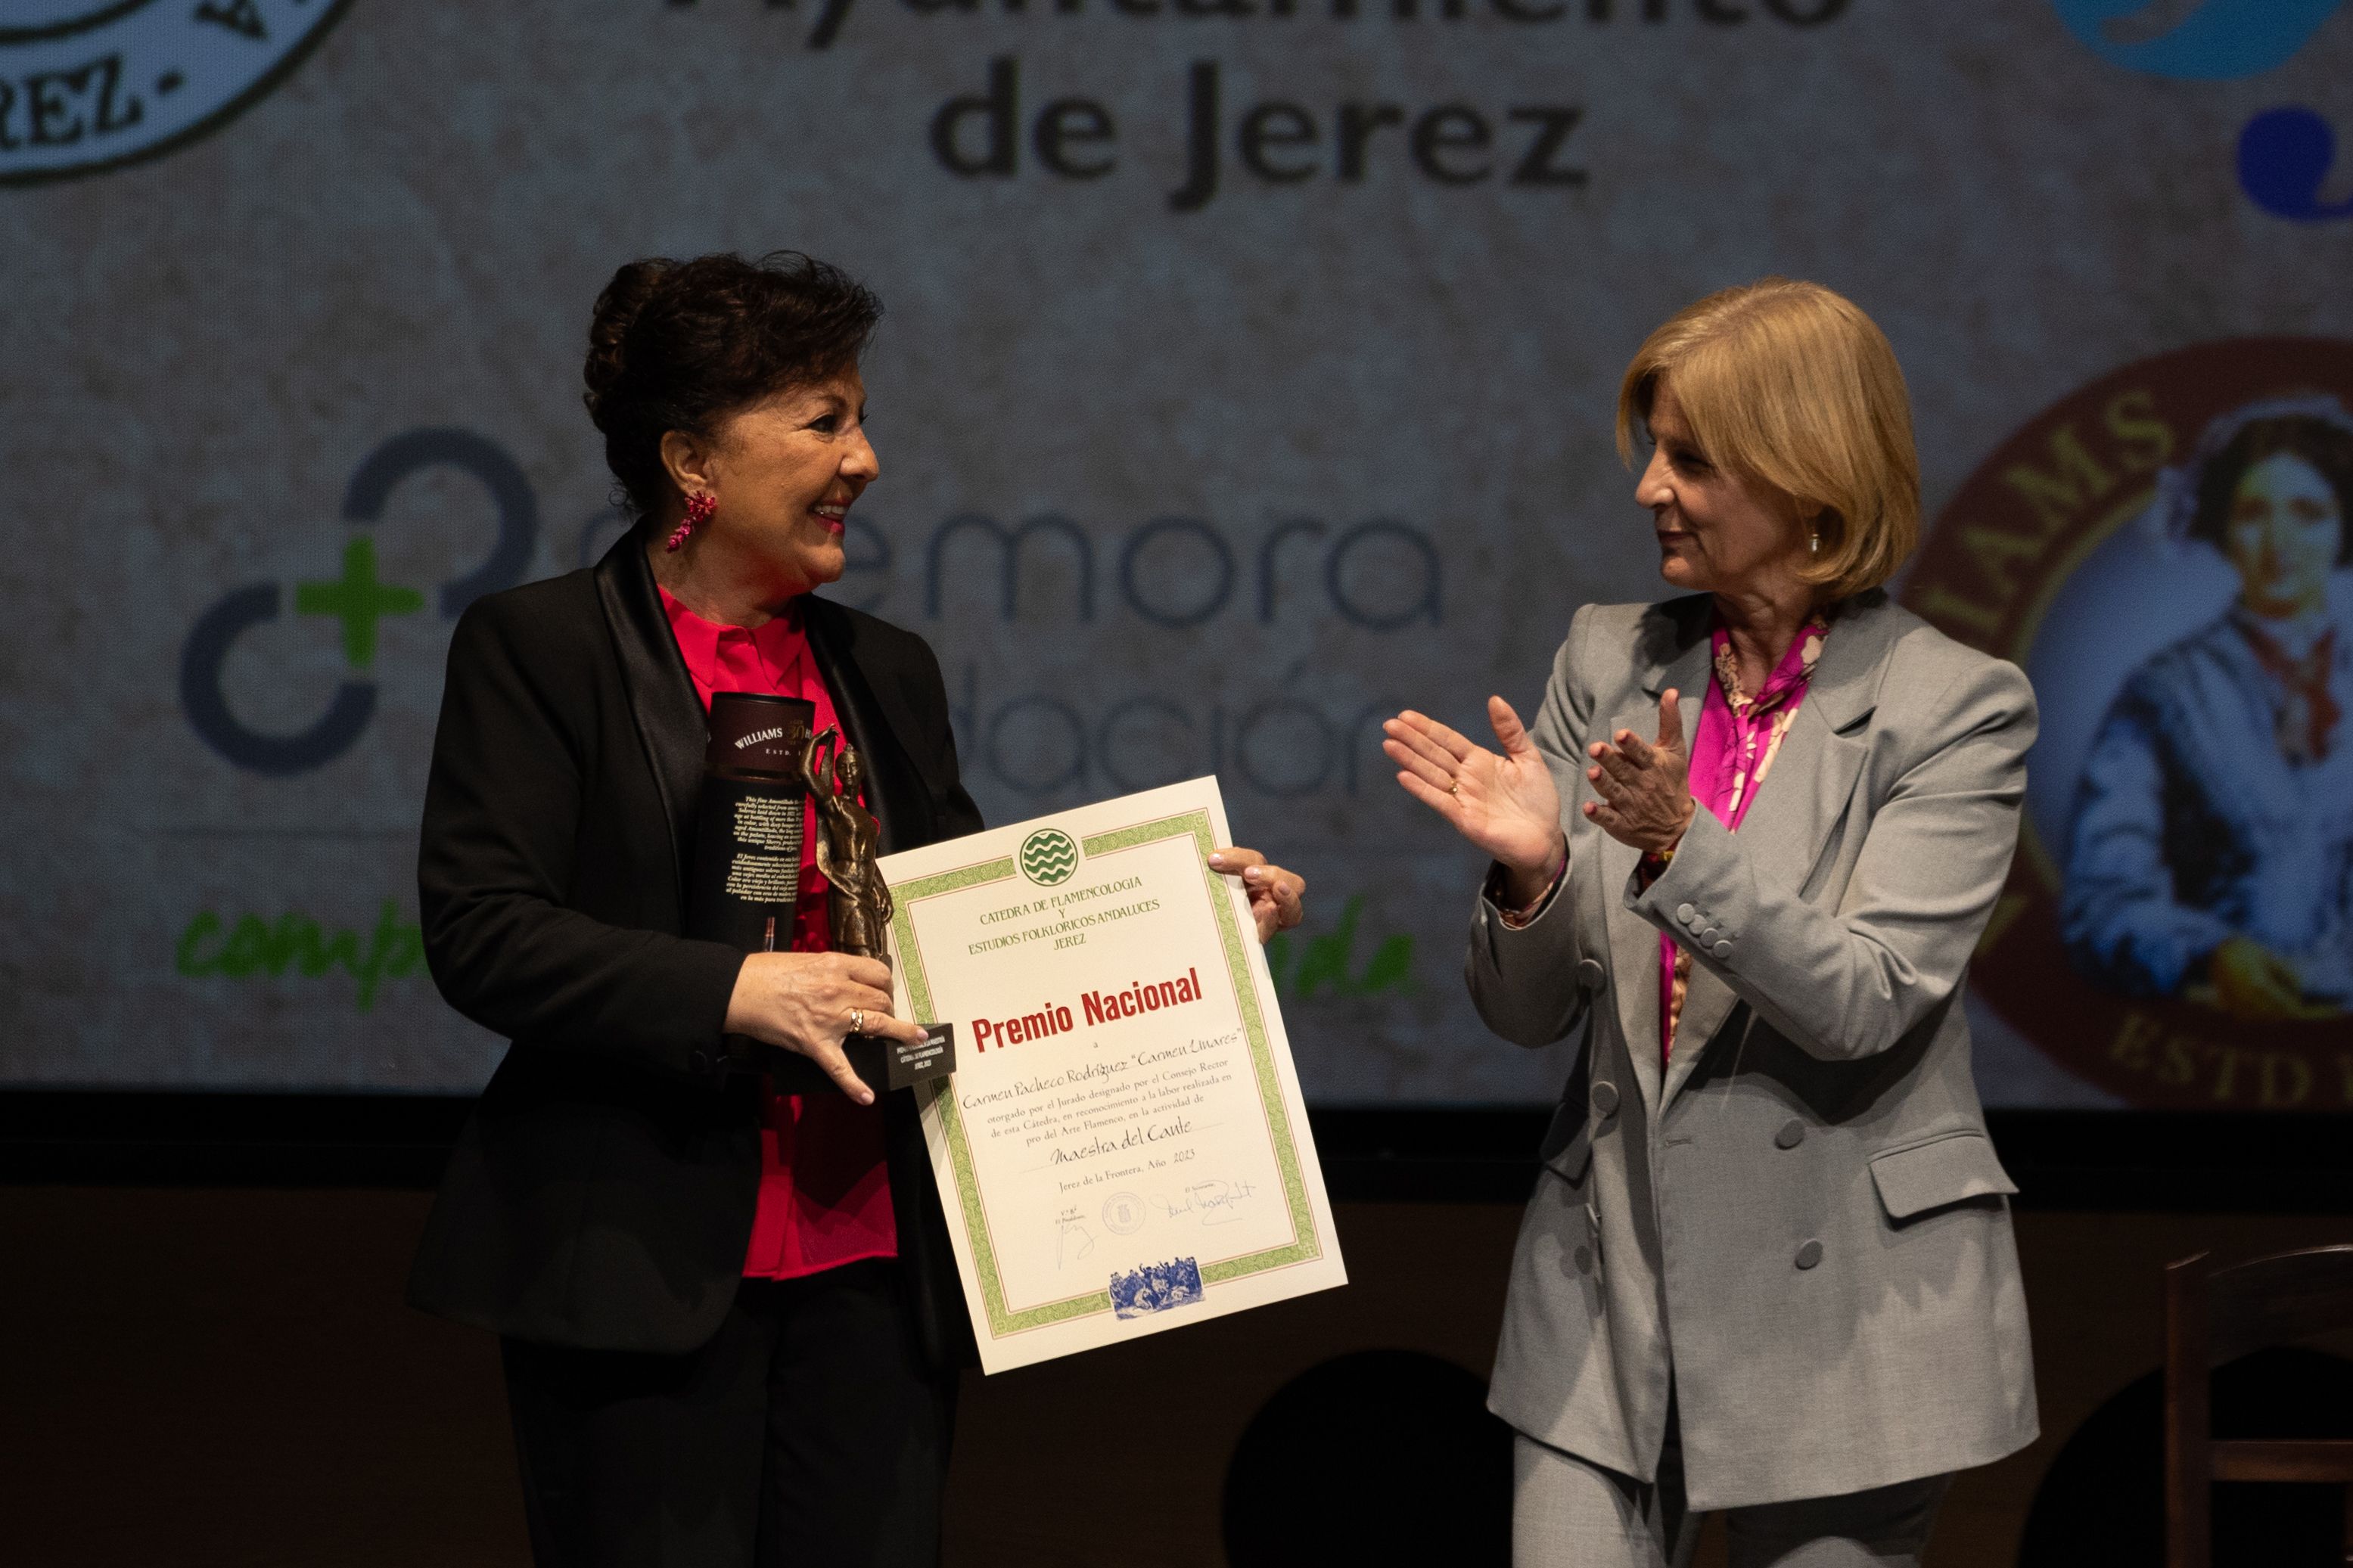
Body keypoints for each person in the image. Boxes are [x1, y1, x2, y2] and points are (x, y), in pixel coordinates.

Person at [406, 251, 1306, 1567]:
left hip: (878, 1264)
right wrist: (732, 989)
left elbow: (978, 921)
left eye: (861, 417)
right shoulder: (541, 647)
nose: (867, 458)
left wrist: (1191, 919)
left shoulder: (885, 665)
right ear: (691, 460)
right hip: (639, 1266)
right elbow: (483, 929)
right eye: (825, 421)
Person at [1385, 278, 2038, 1566]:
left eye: (1691, 457)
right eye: (1654, 451)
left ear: (1812, 479)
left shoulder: (1955, 707)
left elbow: (1866, 996)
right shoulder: (1610, 658)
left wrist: (1681, 844)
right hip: (1607, 1285)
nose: (1650, 487)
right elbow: (1526, 1015)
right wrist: (1532, 877)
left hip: (1846, 1294)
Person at [2063, 396, 2353, 1019]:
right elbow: (2102, 901)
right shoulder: (2164, 694)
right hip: (2225, 1032)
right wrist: (2211, 955)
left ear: (2342, 526)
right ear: (2222, 527)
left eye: (2308, 513)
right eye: (2254, 513)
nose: (2280, 541)